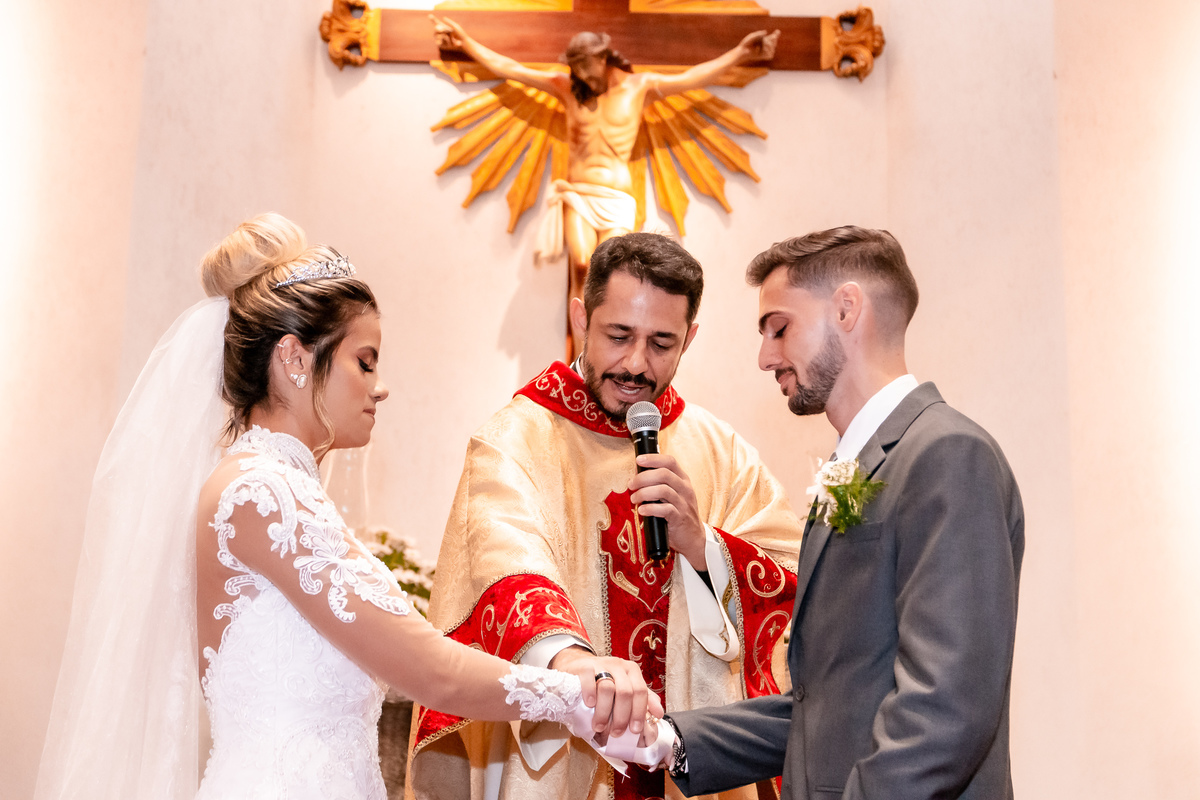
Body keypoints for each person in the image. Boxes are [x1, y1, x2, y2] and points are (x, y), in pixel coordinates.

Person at [34, 214, 667, 800]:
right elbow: (431, 671)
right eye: (364, 362)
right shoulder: (259, 494)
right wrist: (584, 690)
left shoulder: (285, 491)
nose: (379, 385)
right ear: (293, 359)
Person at [407, 232, 805, 800]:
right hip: (564, 766)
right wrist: (571, 663)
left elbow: (794, 589)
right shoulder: (515, 441)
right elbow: (504, 568)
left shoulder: (723, 453)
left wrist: (705, 546)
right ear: (580, 318)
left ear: (690, 339)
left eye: (662, 343)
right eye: (619, 336)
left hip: (690, 772)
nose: (636, 364)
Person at [657, 226, 1025, 799]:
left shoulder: (947, 455)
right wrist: (666, 740)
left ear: (847, 309)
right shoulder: (857, 469)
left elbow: (945, 709)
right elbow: (823, 706)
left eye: (779, 328)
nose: (764, 357)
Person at [429, 16, 779, 357]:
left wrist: (740, 53)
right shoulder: (566, 88)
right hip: (579, 195)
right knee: (582, 264)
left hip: (616, 198)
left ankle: (611, 343)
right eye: (575, 66)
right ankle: (582, 351)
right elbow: (510, 68)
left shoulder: (637, 86)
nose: (579, 73)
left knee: (614, 274)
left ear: (602, 57)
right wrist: (466, 42)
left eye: (585, 65)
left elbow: (693, 77)